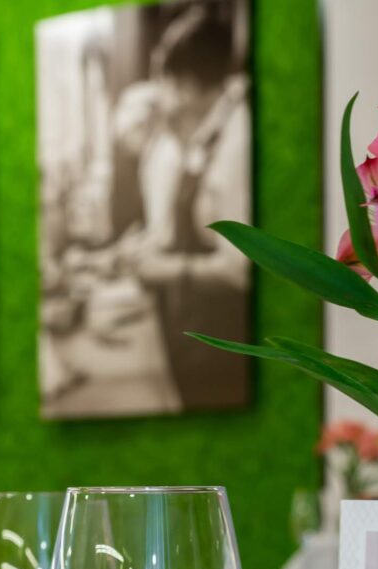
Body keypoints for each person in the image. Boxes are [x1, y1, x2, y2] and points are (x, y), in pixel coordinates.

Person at [120, 3, 253, 411]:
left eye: (167, 78)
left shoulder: (238, 140)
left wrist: (167, 269)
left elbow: (239, 269)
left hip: (225, 342)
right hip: (195, 333)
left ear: (189, 84)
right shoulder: (207, 135)